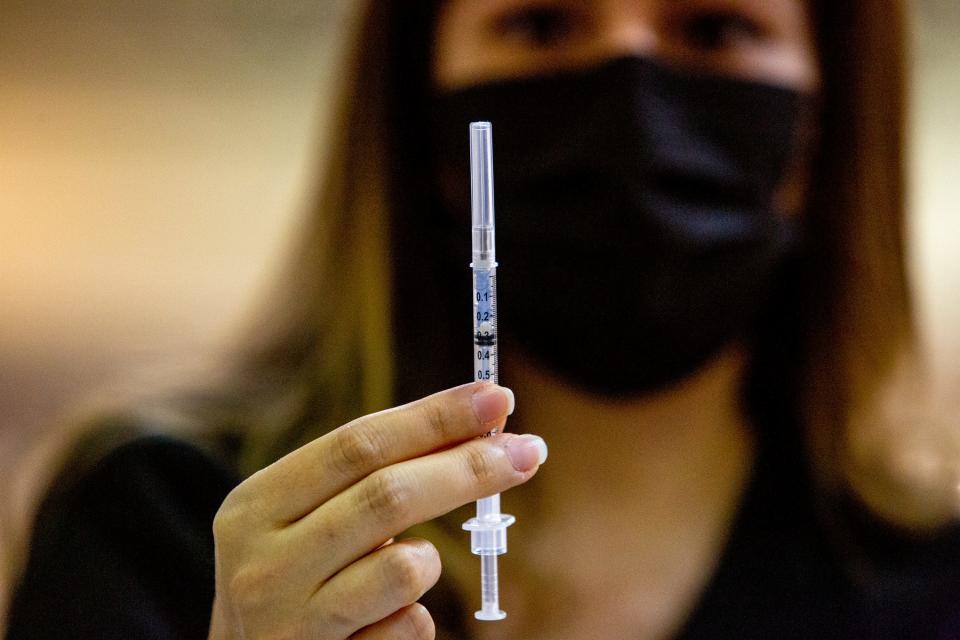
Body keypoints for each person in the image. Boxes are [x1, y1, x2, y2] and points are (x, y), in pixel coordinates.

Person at [7, 0, 960, 638]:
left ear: (828, 125)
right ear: (421, 119)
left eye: (714, 29)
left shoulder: (931, 585)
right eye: (542, 24)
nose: (629, 90)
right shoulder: (175, 526)